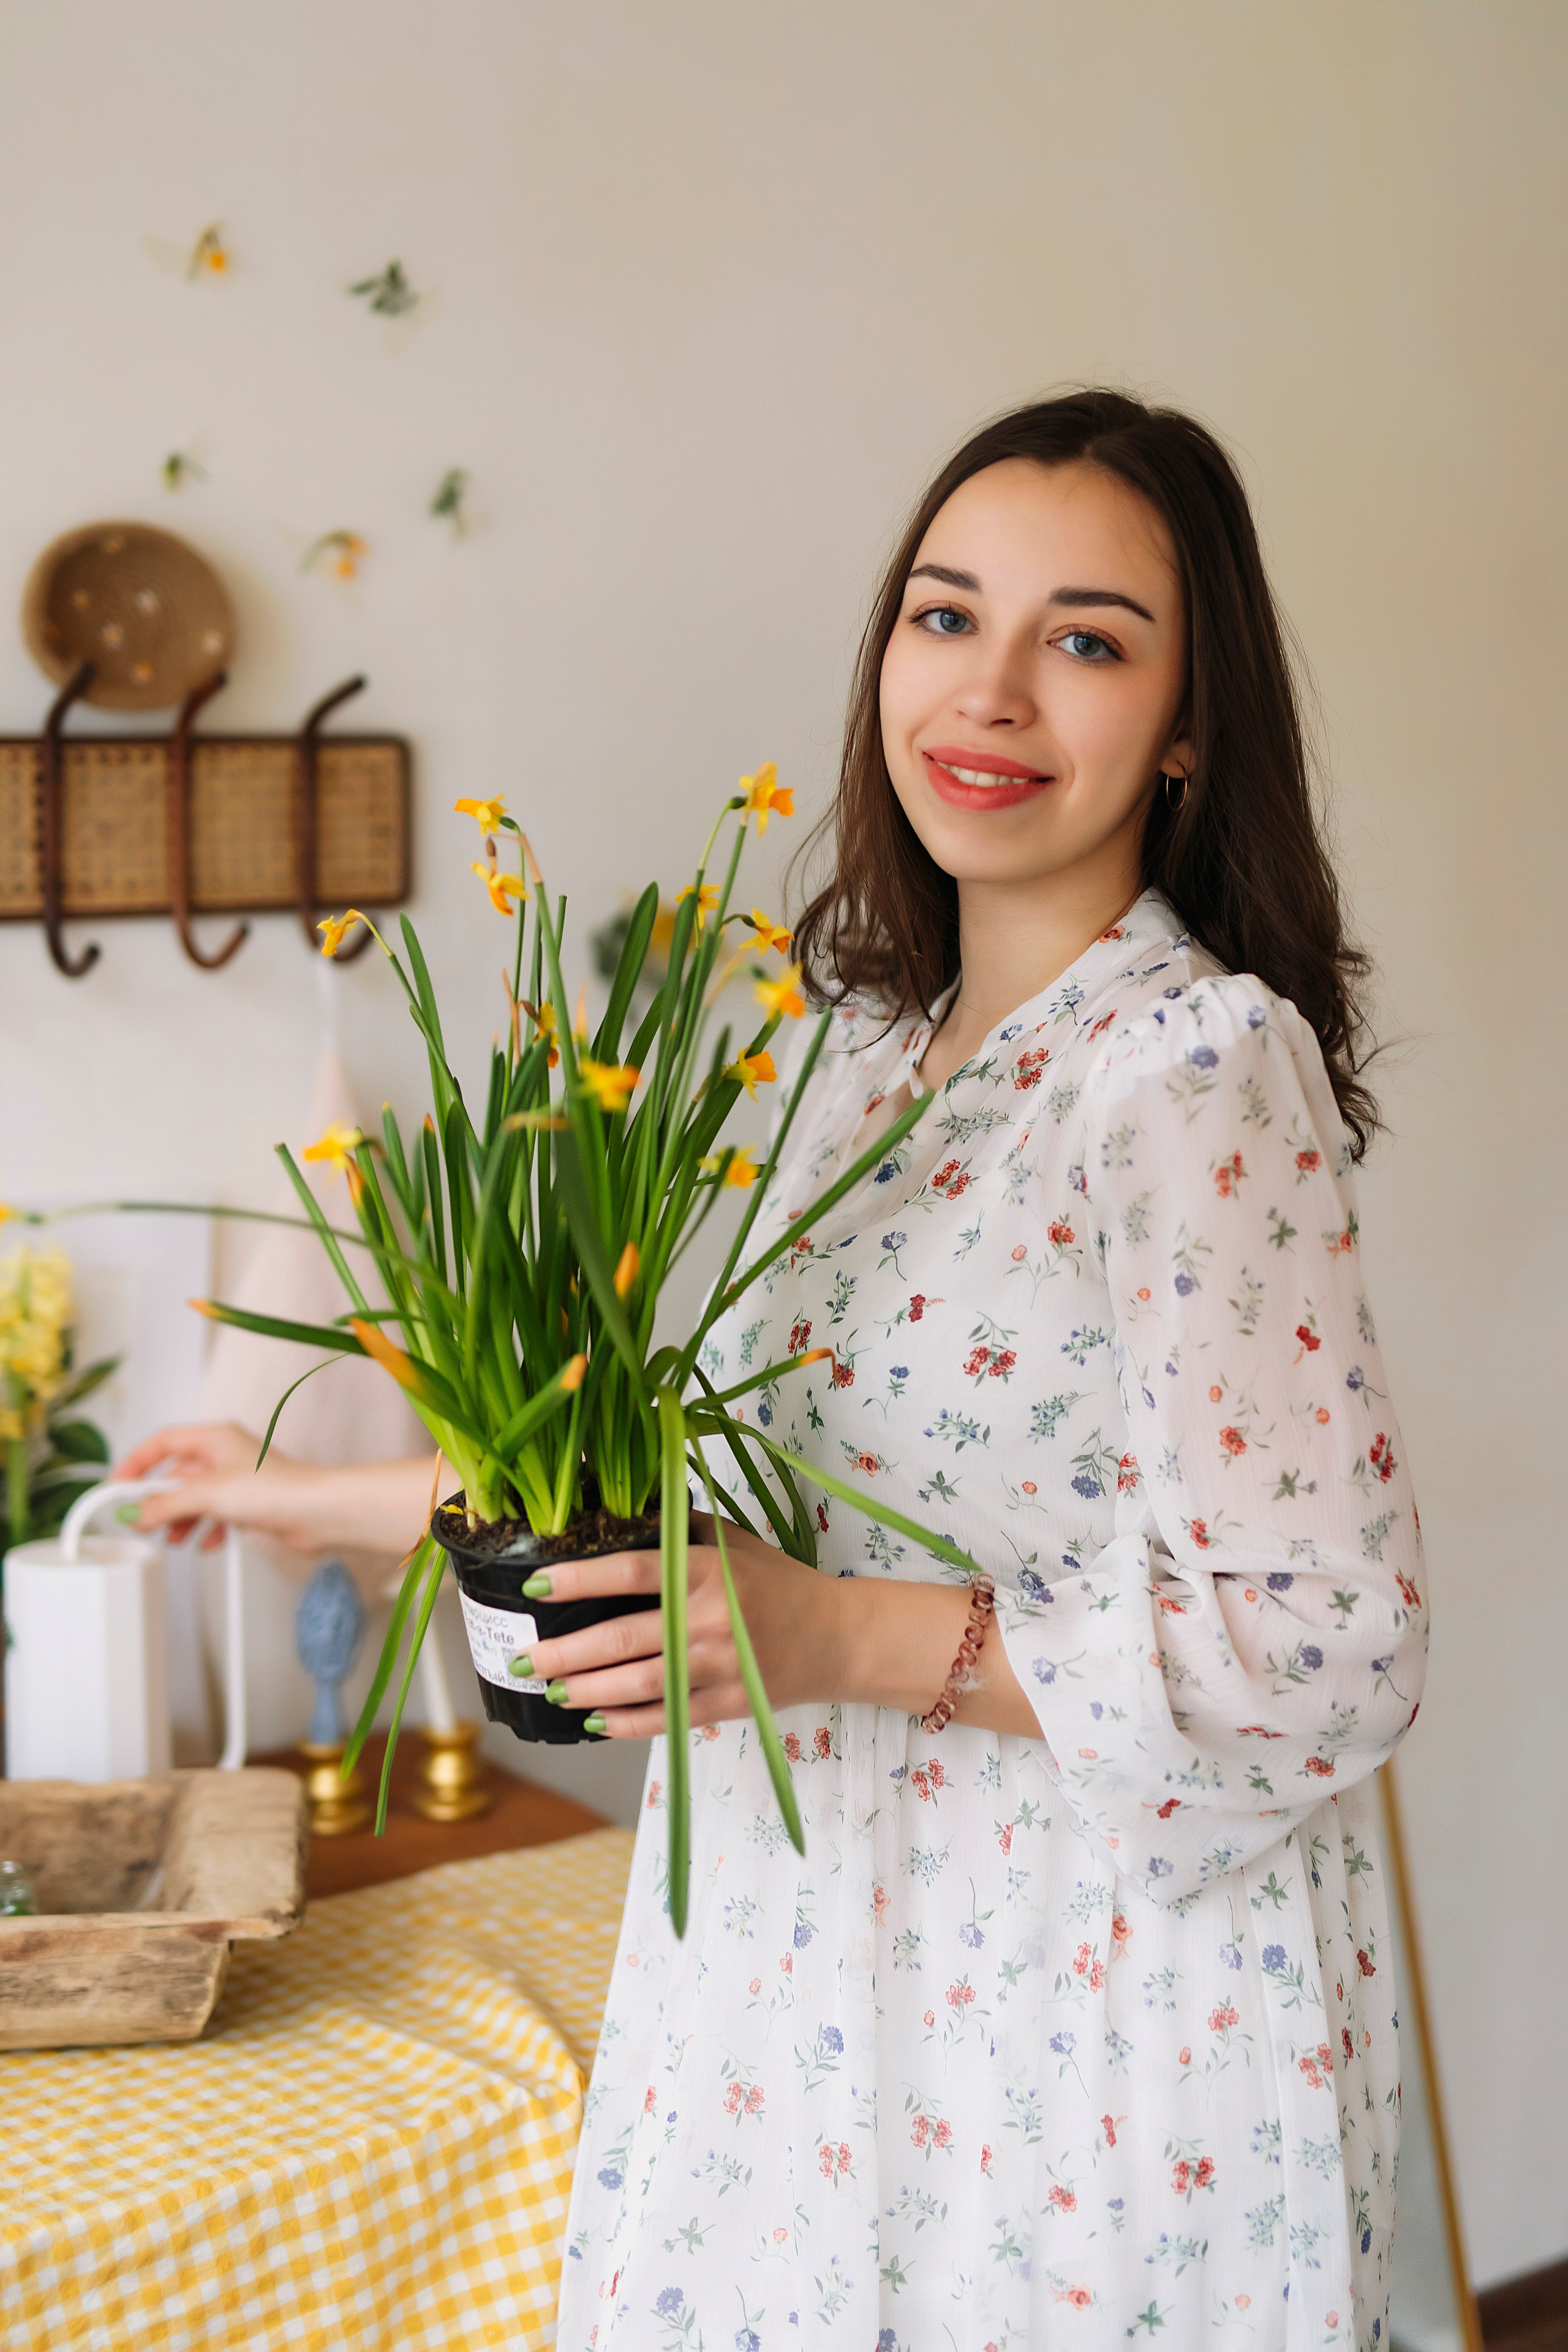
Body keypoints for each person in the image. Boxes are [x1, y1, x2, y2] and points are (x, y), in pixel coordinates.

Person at [123, 391, 1426, 2351]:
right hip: (801, 1977)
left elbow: (1336, 1646)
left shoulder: (1190, 1071)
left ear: (1187, 725)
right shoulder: (854, 1059)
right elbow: (713, 1499)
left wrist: (838, 1641)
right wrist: (285, 1493)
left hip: (1077, 2024)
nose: (988, 690)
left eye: (1084, 640)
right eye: (944, 615)